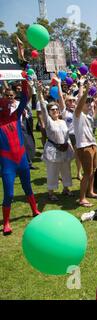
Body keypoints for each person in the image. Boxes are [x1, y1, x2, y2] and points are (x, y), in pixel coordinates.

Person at [0, 81, 40, 236]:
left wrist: (24, 81)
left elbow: (25, 98)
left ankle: (34, 209)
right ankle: (7, 222)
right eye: (6, 96)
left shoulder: (16, 115)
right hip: (7, 161)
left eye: (11, 96)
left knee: (27, 186)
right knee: (9, 194)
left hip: (21, 158)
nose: (10, 99)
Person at [37, 80, 74, 201]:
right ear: (49, 112)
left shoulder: (63, 122)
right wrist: (40, 94)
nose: (55, 111)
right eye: (52, 110)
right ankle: (51, 192)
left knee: (66, 170)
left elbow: (66, 136)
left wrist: (70, 147)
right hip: (52, 150)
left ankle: (66, 188)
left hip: (64, 148)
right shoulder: (49, 122)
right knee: (52, 171)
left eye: (56, 109)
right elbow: (43, 107)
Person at [74, 81, 97, 208]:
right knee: (87, 173)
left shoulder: (88, 116)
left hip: (93, 144)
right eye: (87, 102)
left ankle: (90, 191)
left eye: (90, 102)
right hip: (84, 147)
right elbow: (79, 105)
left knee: (93, 171)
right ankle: (82, 198)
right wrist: (86, 89)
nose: (89, 104)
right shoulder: (77, 115)